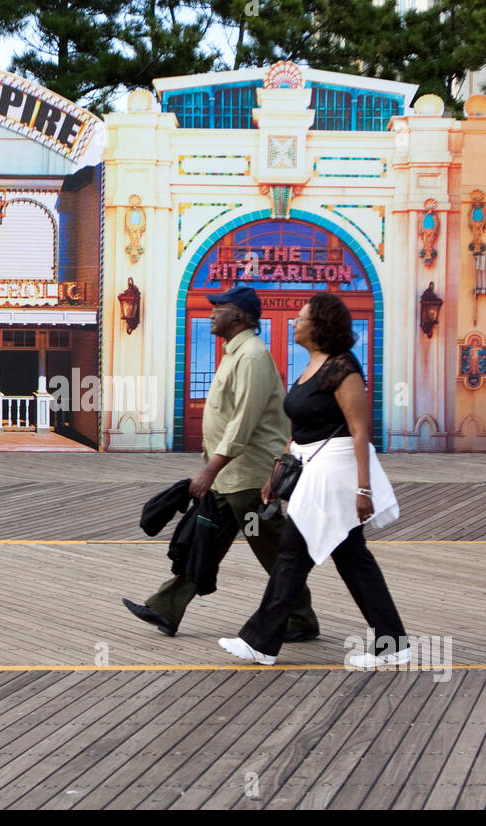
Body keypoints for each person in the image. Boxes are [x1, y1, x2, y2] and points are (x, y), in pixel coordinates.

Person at [219, 291, 410, 667]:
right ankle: (393, 644)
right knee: (351, 559)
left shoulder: (343, 368)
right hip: (312, 470)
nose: (294, 321)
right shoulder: (311, 367)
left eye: (301, 317)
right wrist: (278, 472)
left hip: (336, 476)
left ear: (319, 326)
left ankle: (260, 641)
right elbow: (303, 429)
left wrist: (363, 488)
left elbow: (359, 431)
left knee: (293, 554)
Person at [123, 285, 320, 641]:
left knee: (272, 549)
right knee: (207, 544)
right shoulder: (234, 353)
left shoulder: (252, 357)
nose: (212, 312)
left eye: (220, 307)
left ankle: (301, 619)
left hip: (252, 479)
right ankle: (166, 608)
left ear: (239, 316)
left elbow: (242, 422)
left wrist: (209, 470)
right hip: (232, 480)